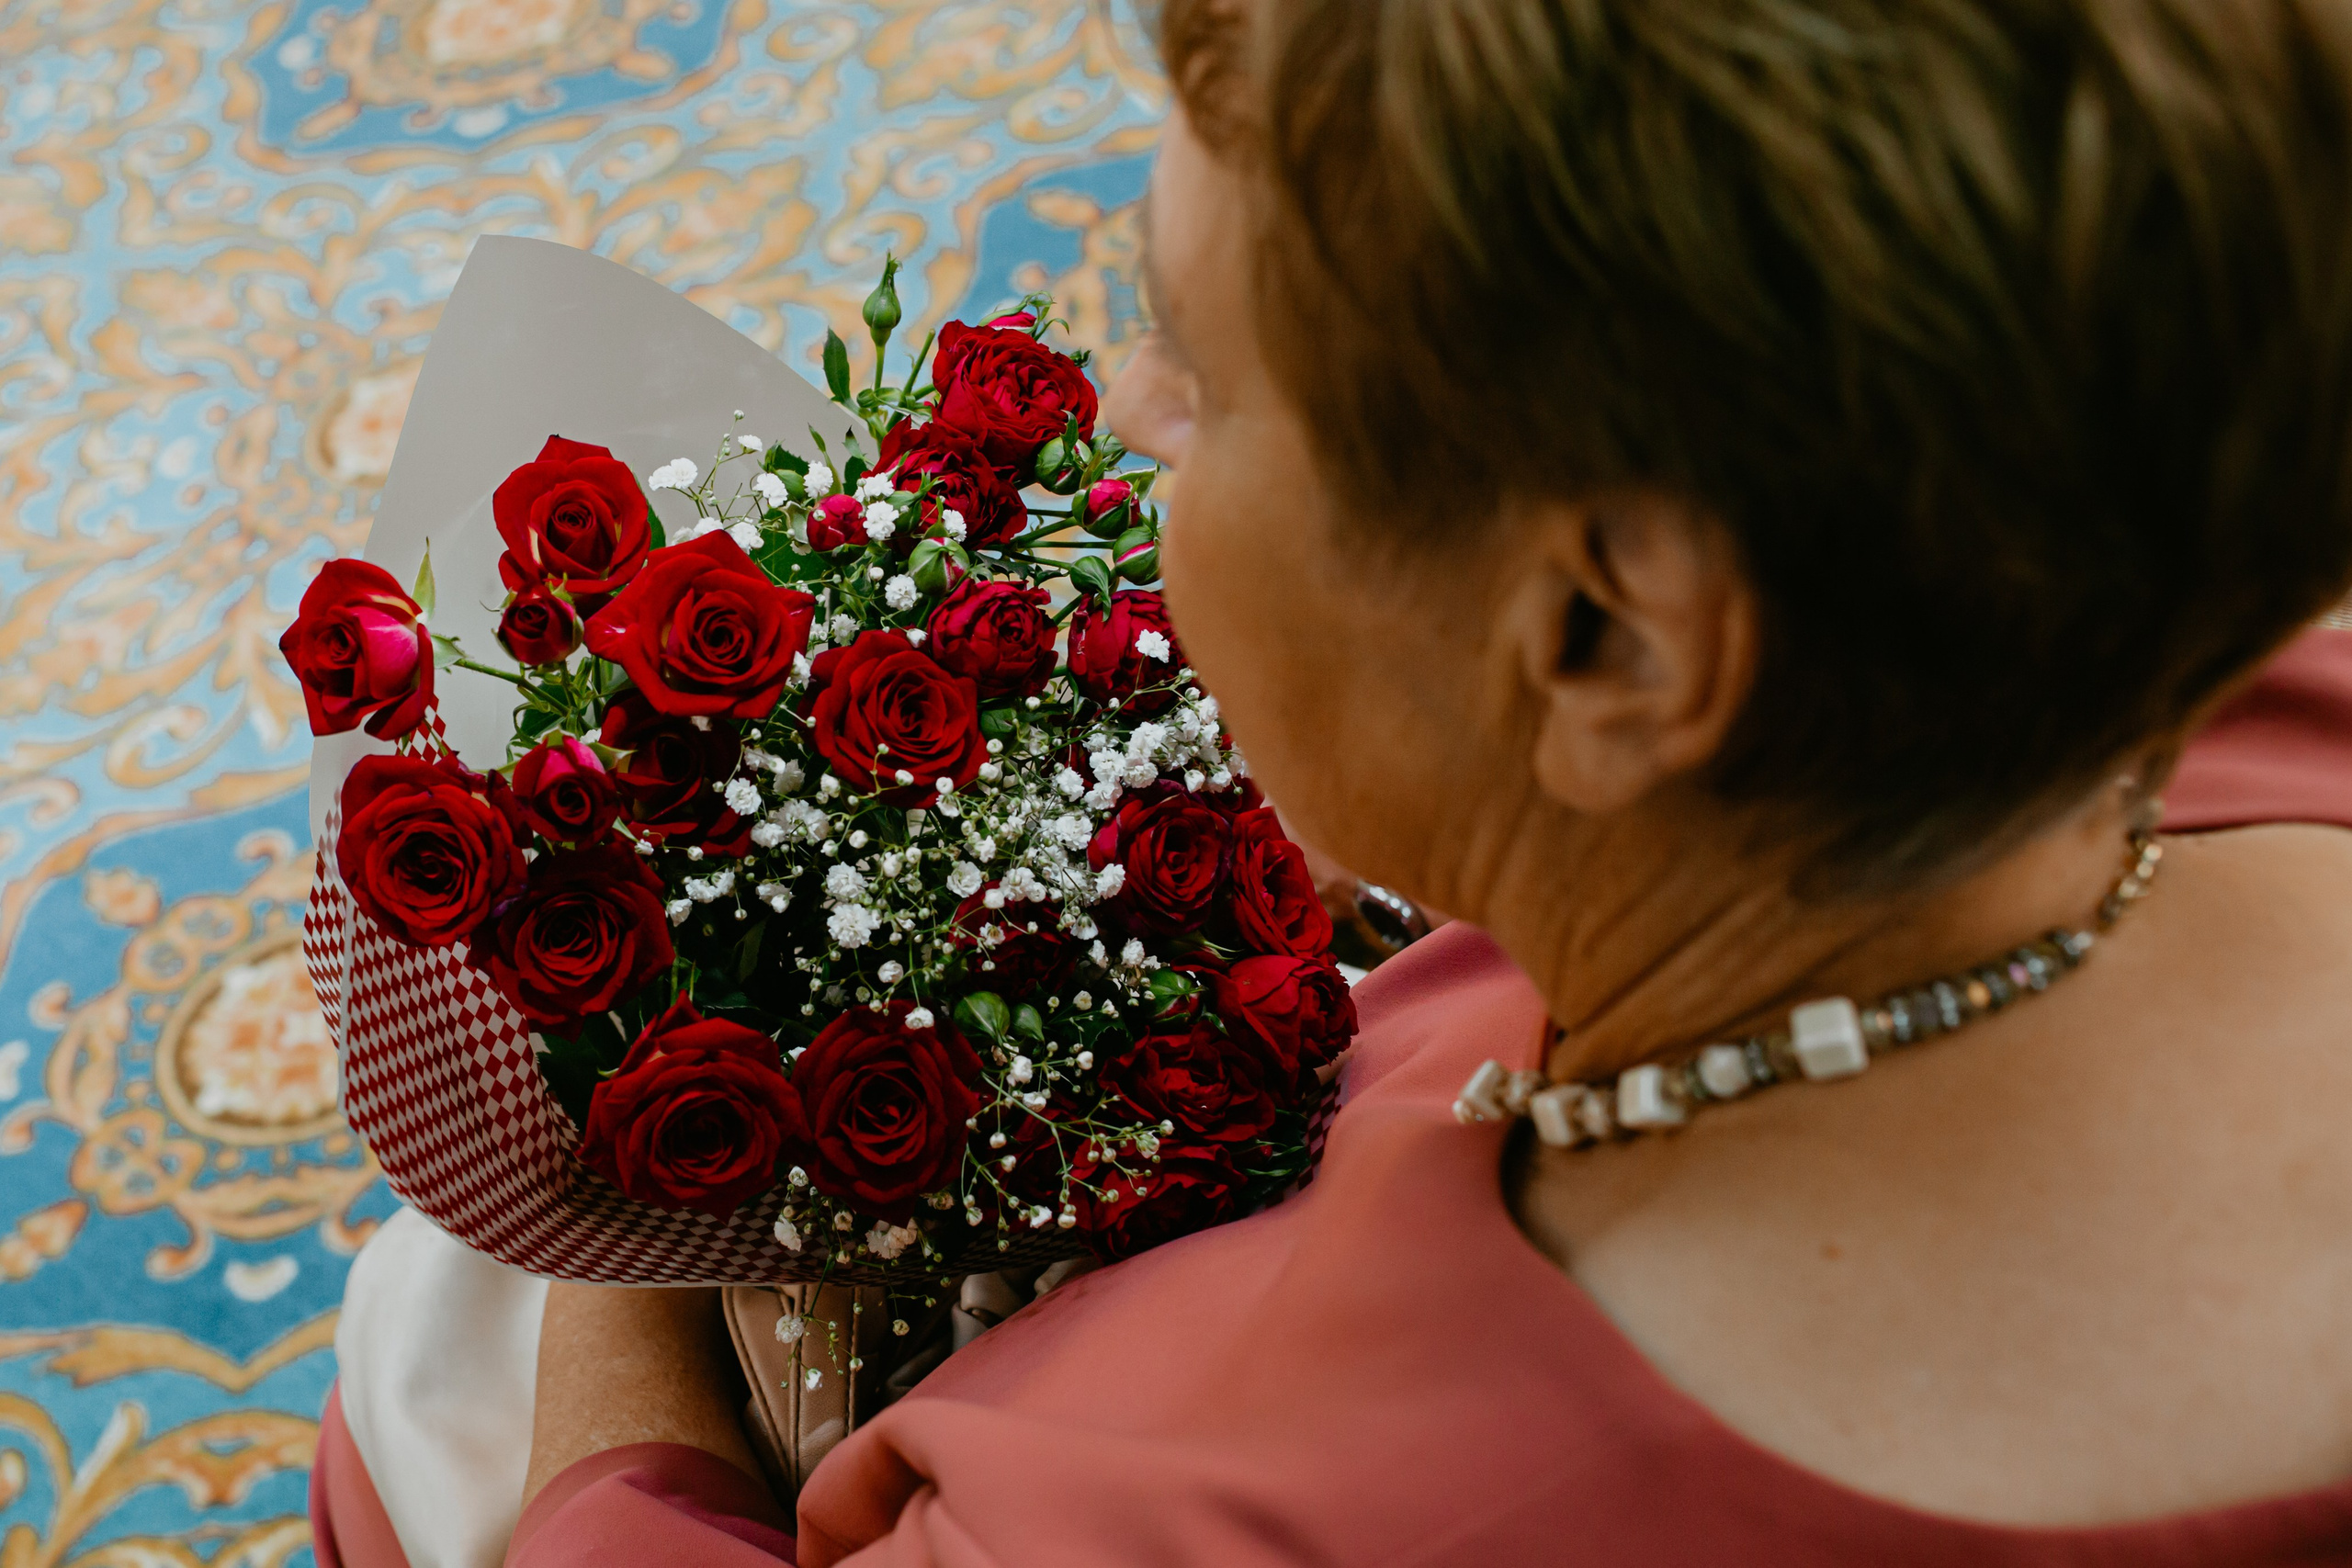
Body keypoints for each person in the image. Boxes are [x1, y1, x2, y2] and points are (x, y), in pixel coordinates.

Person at [314, 0, 2352, 1561]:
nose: (1120, 413)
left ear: (1605, 642)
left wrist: (632, 1261)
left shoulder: (1219, 1507)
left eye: (1205, 377)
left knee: (420, 1342)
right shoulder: (2215, 670)